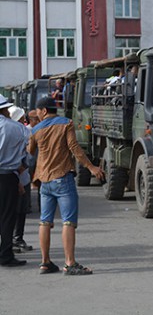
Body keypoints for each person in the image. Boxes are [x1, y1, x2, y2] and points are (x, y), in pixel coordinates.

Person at [27, 96, 105, 275]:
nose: (37, 115)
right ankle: (69, 263)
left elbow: (29, 153)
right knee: (68, 222)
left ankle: (45, 262)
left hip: (44, 182)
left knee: (45, 221)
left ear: (44, 111)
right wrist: (91, 167)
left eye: (38, 112)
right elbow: (74, 148)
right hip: (63, 178)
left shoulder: (35, 130)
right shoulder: (66, 124)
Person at [0, 95, 29, 267]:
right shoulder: (17, 128)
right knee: (7, 217)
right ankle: (5, 254)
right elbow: (27, 156)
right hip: (7, 177)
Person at [8, 106, 33, 254]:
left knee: (21, 210)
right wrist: (20, 167)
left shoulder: (24, 130)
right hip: (14, 176)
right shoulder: (16, 131)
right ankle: (10, 240)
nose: (24, 120)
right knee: (12, 211)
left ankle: (17, 238)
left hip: (23, 177)